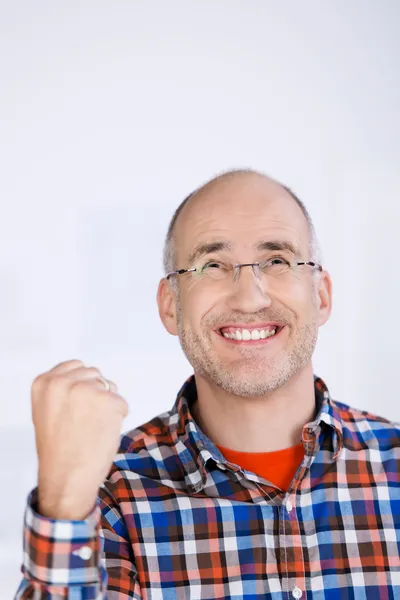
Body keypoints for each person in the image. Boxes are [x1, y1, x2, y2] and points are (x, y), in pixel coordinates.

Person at [16, 169, 400, 599]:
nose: (249, 297)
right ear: (169, 305)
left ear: (322, 296)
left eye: (277, 261)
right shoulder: (109, 494)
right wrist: (64, 506)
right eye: (212, 265)